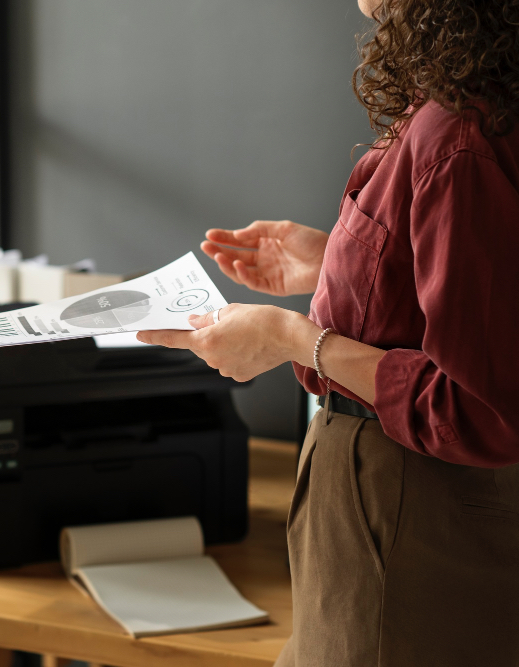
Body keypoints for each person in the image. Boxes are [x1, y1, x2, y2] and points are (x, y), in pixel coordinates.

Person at [138, 0, 519, 664]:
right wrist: (341, 262)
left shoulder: (455, 133)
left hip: (410, 524)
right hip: (389, 520)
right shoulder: (468, 97)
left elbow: (479, 409)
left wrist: (291, 338)